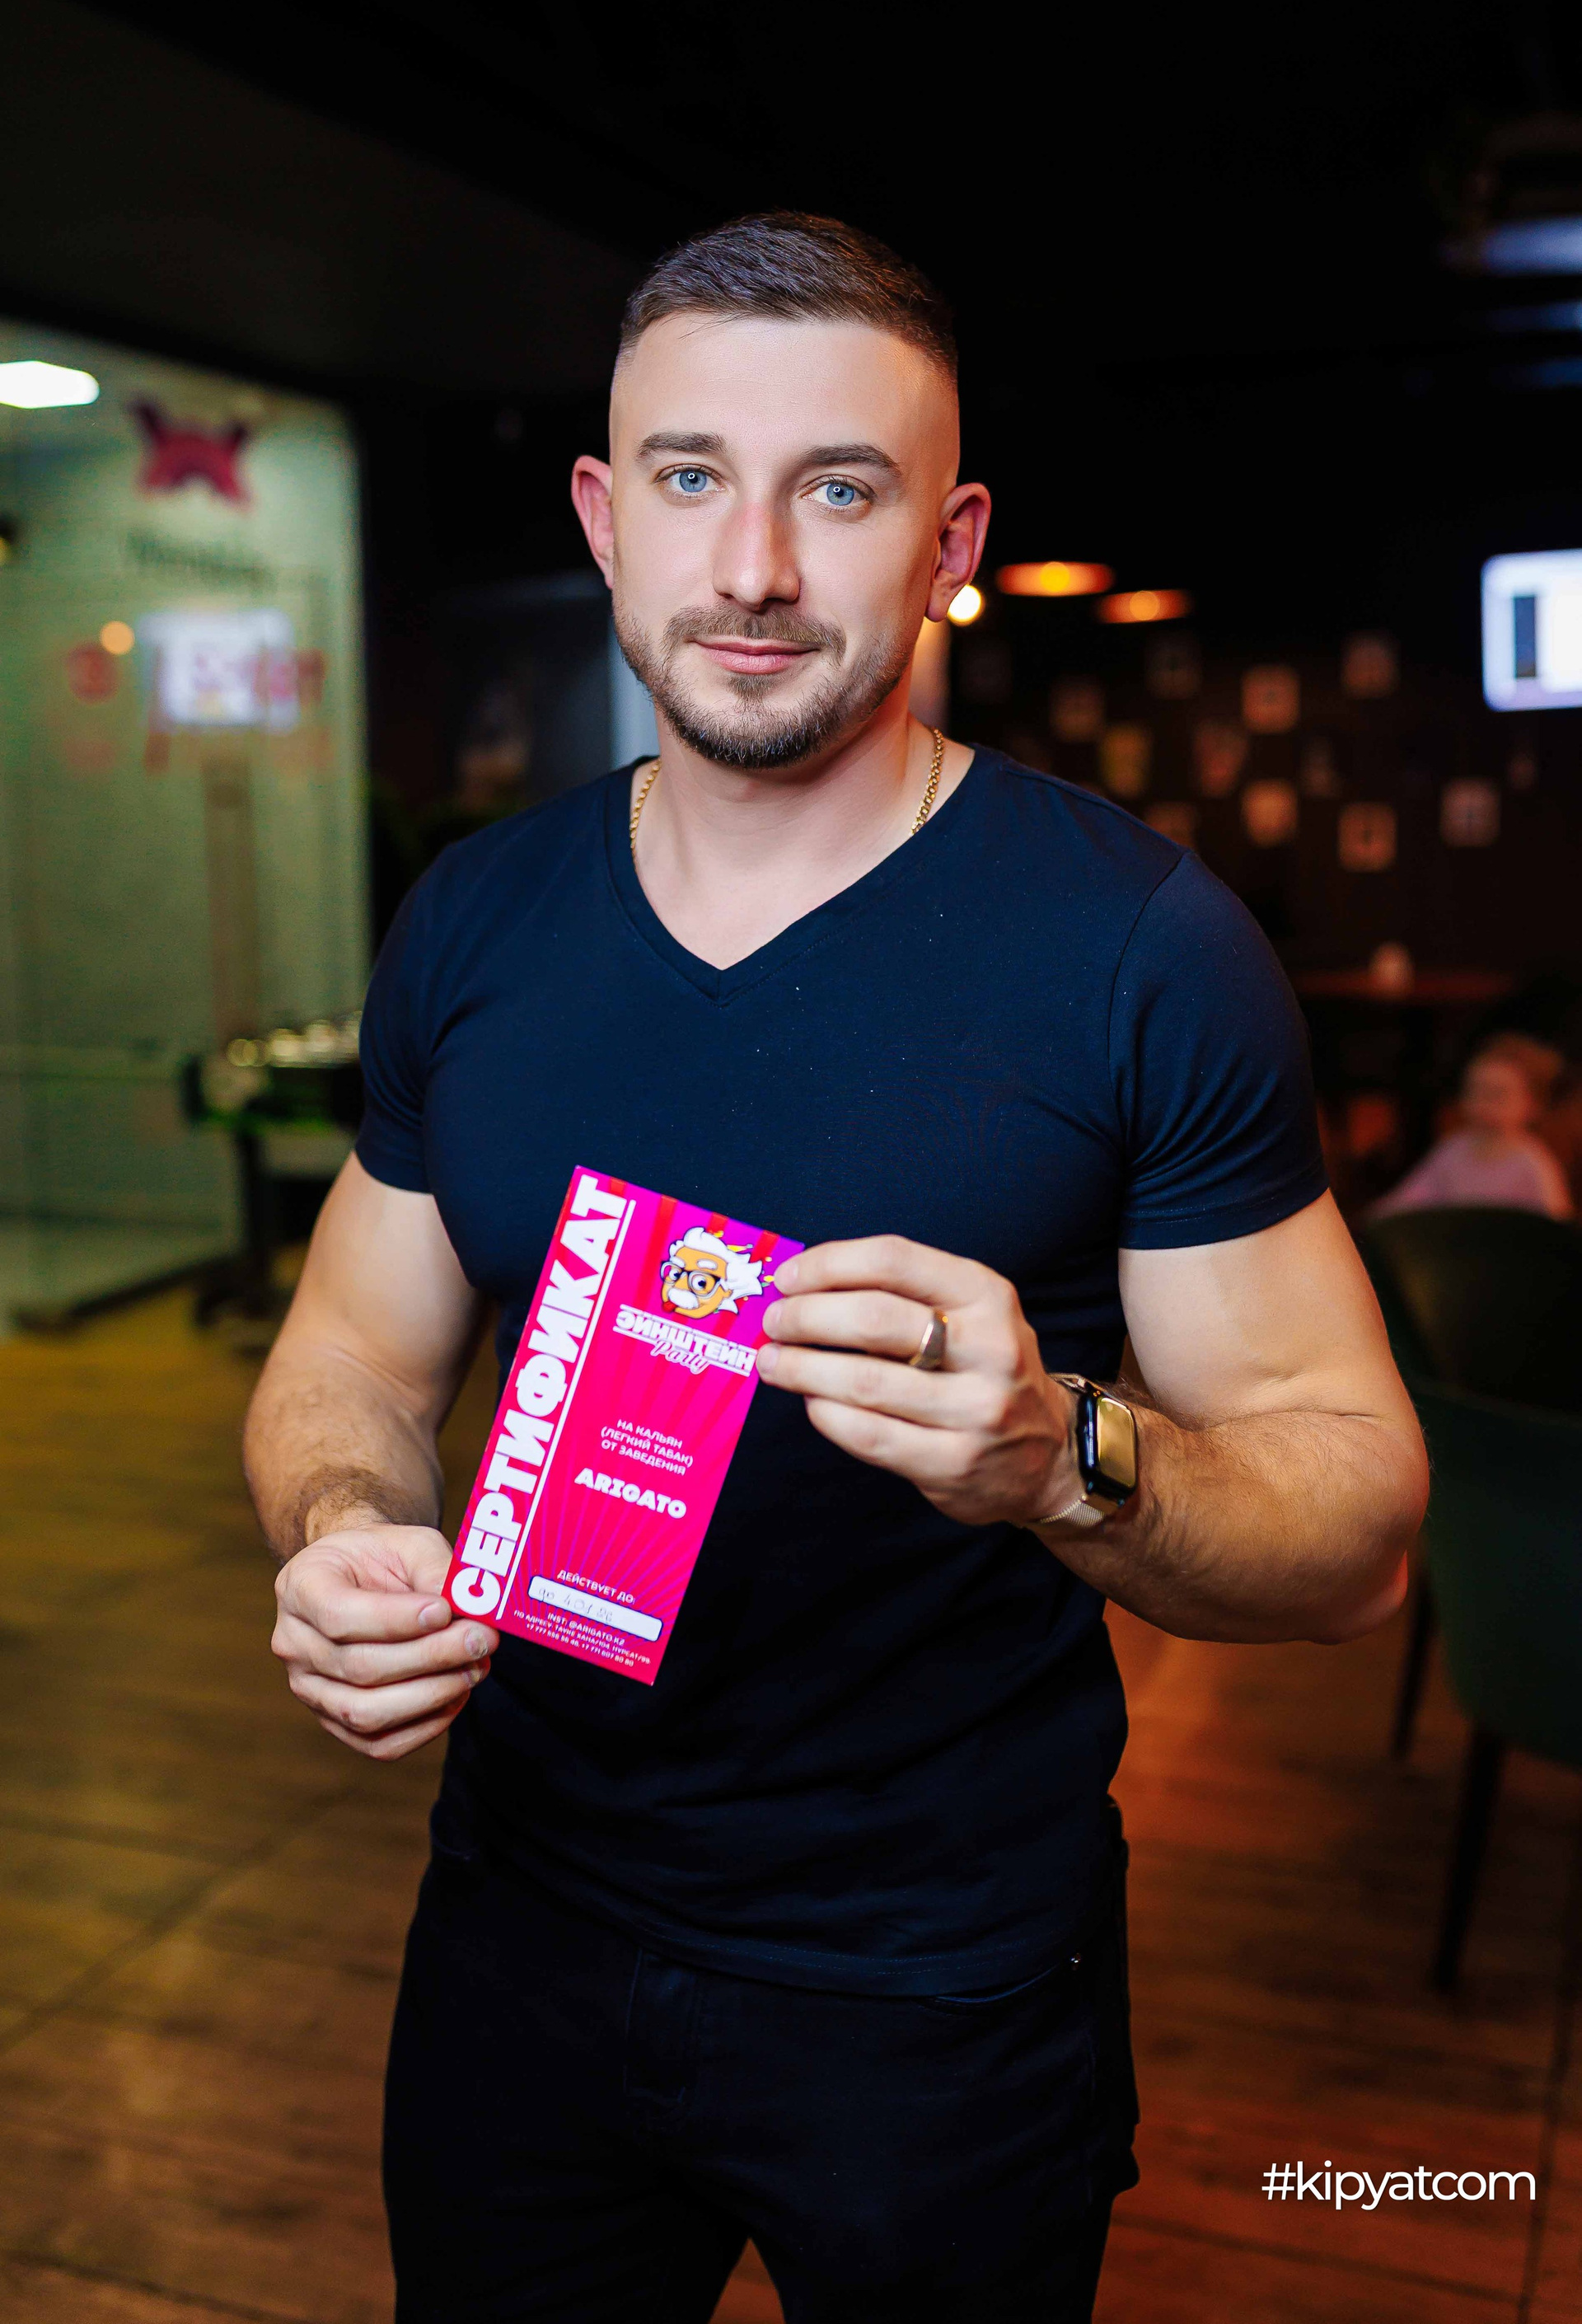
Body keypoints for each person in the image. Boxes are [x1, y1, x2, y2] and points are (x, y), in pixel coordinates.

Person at [246, 213, 1427, 2324]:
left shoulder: (1140, 951)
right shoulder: (476, 920)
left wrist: (1058, 1450)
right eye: (692, 475)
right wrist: (347, 1524)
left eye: (843, 488)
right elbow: (350, 1346)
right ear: (605, 518)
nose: (757, 565)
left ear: (951, 541)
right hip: (519, 1922)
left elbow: (1356, 1536)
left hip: (938, 1983)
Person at [1372, 1035, 1571, 1220]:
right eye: (1475, 1092)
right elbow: (1407, 1201)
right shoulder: (1452, 1150)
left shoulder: (1532, 1165)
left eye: (1497, 1095)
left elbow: (1554, 1228)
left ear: (1532, 1104)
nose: (1483, 1104)